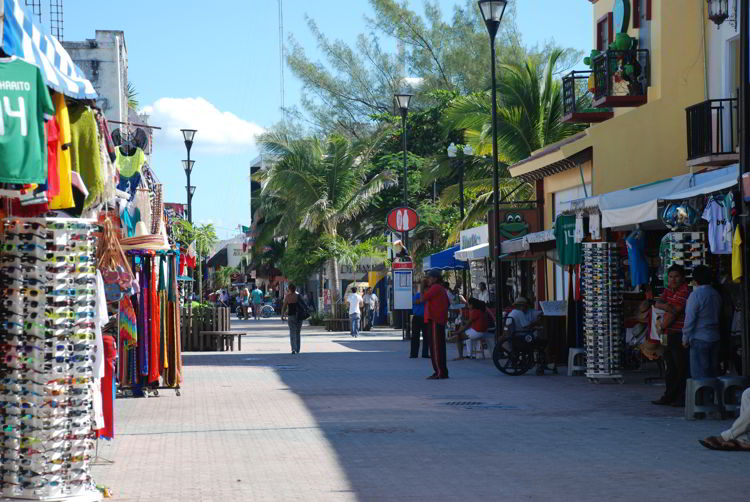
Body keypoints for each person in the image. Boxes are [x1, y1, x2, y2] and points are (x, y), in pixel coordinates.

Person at [652, 264, 691, 407]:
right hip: (669, 334)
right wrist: (667, 307)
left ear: (682, 278)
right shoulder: (669, 290)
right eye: (671, 277)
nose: (673, 280)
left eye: (676, 277)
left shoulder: (684, 291)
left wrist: (662, 325)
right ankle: (669, 395)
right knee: (671, 368)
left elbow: (675, 311)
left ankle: (680, 397)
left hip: (678, 334)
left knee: (680, 368)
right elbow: (659, 303)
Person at [682, 265, 721, 378]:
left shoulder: (696, 295)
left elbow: (690, 319)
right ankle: (713, 396)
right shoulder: (716, 294)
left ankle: (703, 396)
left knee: (700, 377)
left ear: (695, 280)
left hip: (699, 338)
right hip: (715, 337)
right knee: (713, 374)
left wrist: (685, 338)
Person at [415, 270, 450, 379]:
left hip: (435, 319)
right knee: (438, 346)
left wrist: (421, 287)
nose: (427, 280)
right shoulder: (440, 288)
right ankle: (441, 371)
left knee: (435, 347)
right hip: (438, 319)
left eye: (429, 278)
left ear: (435, 278)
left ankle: (439, 372)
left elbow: (421, 299)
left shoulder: (435, 288)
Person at [410, 279, 430, 359]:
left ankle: (425, 353)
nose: (428, 290)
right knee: (415, 336)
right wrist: (422, 300)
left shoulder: (429, 296)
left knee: (426, 336)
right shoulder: (418, 295)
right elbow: (415, 302)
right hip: (417, 317)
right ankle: (414, 354)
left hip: (426, 317)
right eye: (427, 289)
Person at [282, 284, 302, 354]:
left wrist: (282, 315)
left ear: (289, 289)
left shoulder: (288, 296)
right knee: (298, 333)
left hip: (291, 316)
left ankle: (293, 348)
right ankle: (298, 349)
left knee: (292, 332)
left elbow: (284, 306)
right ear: (295, 288)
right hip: (299, 316)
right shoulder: (299, 296)